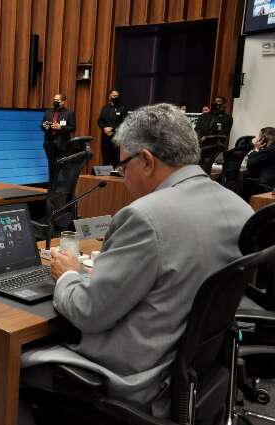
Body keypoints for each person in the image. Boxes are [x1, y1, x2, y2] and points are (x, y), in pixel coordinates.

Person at [21, 103, 253, 421]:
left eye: (123, 165)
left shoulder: (146, 216)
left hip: (134, 382)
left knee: (8, 361)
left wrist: (67, 276)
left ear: (146, 161)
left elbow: (89, 313)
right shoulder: (240, 208)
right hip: (193, 376)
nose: (123, 176)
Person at [40, 94, 76, 179]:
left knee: (62, 165)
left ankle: (61, 186)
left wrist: (61, 127)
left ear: (63, 102)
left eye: (57, 100)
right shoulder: (48, 112)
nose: (55, 101)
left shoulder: (69, 113)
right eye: (54, 99)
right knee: (51, 165)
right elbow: (42, 125)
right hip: (49, 143)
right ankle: (51, 186)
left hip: (63, 144)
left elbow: (73, 128)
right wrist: (44, 126)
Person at [97, 90, 127, 166]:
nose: (116, 97)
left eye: (117, 96)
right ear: (109, 97)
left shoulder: (122, 108)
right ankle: (105, 177)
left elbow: (124, 123)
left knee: (116, 161)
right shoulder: (105, 108)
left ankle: (115, 176)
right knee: (106, 160)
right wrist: (104, 128)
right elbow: (100, 121)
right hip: (105, 138)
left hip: (116, 138)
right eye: (114, 96)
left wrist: (112, 129)